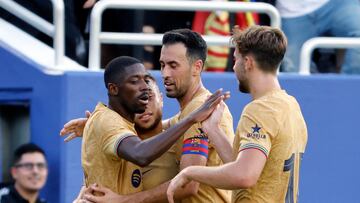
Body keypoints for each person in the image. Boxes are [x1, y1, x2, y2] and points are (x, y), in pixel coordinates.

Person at [63, 29, 235, 203]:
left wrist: (122, 201)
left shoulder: (198, 109)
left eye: (173, 66)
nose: (165, 74)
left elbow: (187, 185)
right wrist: (97, 127)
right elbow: (166, 126)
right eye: (162, 65)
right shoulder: (187, 115)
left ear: (197, 67)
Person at [166, 25, 308, 203]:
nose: (234, 68)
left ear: (248, 63)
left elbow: (244, 176)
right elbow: (244, 164)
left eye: (236, 60)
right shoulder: (291, 106)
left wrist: (190, 172)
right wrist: (213, 130)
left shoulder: (260, 110)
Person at [274, 0, 360, 74]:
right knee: (293, 71)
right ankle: (310, 91)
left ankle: (348, 89)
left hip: (338, 4)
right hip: (290, 12)